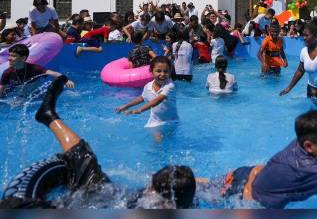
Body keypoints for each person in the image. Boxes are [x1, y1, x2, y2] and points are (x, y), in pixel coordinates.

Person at [26, 75, 195, 208]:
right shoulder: (182, 204)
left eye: (151, 186)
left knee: (84, 157)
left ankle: (48, 115)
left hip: (94, 198)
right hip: (107, 195)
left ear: (154, 194)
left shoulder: (138, 205)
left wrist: (139, 110)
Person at [117, 57, 178, 128]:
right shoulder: (148, 86)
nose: (162, 74)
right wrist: (126, 106)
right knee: (158, 138)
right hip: (154, 121)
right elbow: (141, 98)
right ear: (151, 72)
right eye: (158, 71)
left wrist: (139, 110)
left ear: (170, 72)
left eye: (166, 71)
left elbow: (158, 100)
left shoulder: (170, 86)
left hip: (171, 121)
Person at [0, 44, 75, 97]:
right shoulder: (7, 72)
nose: (9, 58)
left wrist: (66, 80)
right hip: (20, 95)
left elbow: (53, 73)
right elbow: (1, 90)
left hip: (37, 93)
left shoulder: (34, 68)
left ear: (23, 58)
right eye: (9, 55)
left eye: (13, 56)